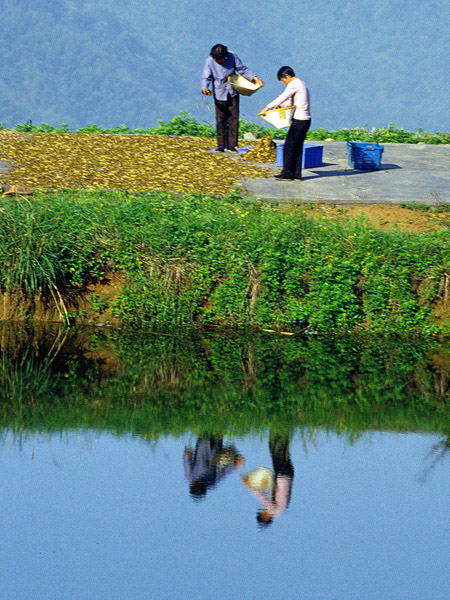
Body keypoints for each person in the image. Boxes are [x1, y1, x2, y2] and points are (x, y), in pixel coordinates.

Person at [201, 44, 264, 153]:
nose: (219, 61)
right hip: (219, 92)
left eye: (221, 59)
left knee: (233, 118)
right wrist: (204, 88)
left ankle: (232, 145)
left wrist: (255, 79)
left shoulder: (232, 56)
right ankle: (221, 145)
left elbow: (243, 69)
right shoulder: (209, 61)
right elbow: (206, 76)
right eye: (217, 59)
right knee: (220, 119)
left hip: (232, 90)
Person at [260, 66, 311, 181]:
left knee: (289, 146)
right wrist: (281, 106)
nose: (284, 83)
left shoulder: (294, 84)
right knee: (297, 147)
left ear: (287, 76)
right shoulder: (300, 83)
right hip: (305, 120)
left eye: (283, 80)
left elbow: (282, 97)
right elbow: (289, 101)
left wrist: (267, 108)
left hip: (299, 120)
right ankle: (296, 174)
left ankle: (287, 174)